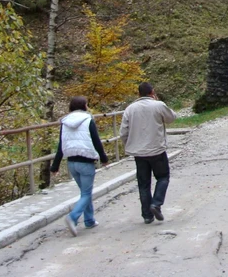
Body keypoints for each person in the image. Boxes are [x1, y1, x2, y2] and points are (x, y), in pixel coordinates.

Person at [50, 96, 109, 237]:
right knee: (86, 193)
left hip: (71, 163)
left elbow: (61, 145)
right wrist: (104, 158)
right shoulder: (88, 120)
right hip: (86, 162)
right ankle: (73, 217)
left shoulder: (65, 122)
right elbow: (96, 141)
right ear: (84, 106)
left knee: (84, 192)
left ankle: (89, 220)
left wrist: (55, 166)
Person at [120, 82, 177, 224]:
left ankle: (147, 215)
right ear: (152, 92)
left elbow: (123, 132)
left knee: (143, 183)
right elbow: (171, 118)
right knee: (163, 177)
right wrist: (158, 101)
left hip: (139, 153)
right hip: (156, 149)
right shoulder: (158, 105)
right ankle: (156, 203)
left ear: (138, 94)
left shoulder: (130, 109)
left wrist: (128, 144)